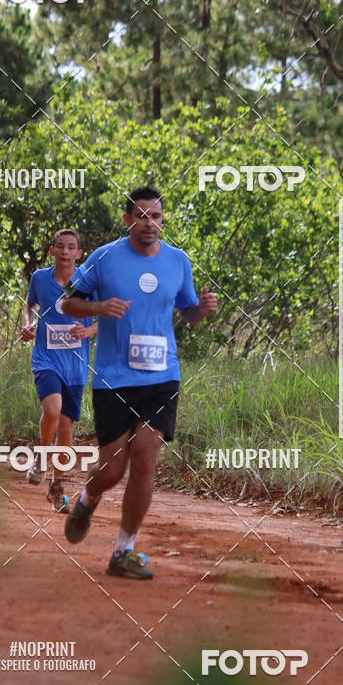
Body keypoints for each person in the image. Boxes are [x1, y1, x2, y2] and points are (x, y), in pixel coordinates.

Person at [61, 186, 217, 578]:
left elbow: (188, 312)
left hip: (162, 376)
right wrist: (98, 307)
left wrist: (202, 308)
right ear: (128, 219)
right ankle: (87, 498)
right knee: (113, 470)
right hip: (114, 378)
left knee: (146, 454)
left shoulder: (178, 261)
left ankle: (123, 551)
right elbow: (66, 303)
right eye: (143, 216)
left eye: (157, 216)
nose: (151, 223)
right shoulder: (105, 258)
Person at [21, 229, 97, 513]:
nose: (65, 252)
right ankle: (41, 457)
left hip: (75, 366)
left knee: (66, 428)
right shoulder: (40, 278)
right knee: (52, 410)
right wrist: (28, 323)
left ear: (79, 253)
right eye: (60, 247)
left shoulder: (89, 282)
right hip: (46, 359)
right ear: (52, 250)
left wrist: (88, 329)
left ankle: (57, 488)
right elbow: (30, 304)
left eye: (71, 248)